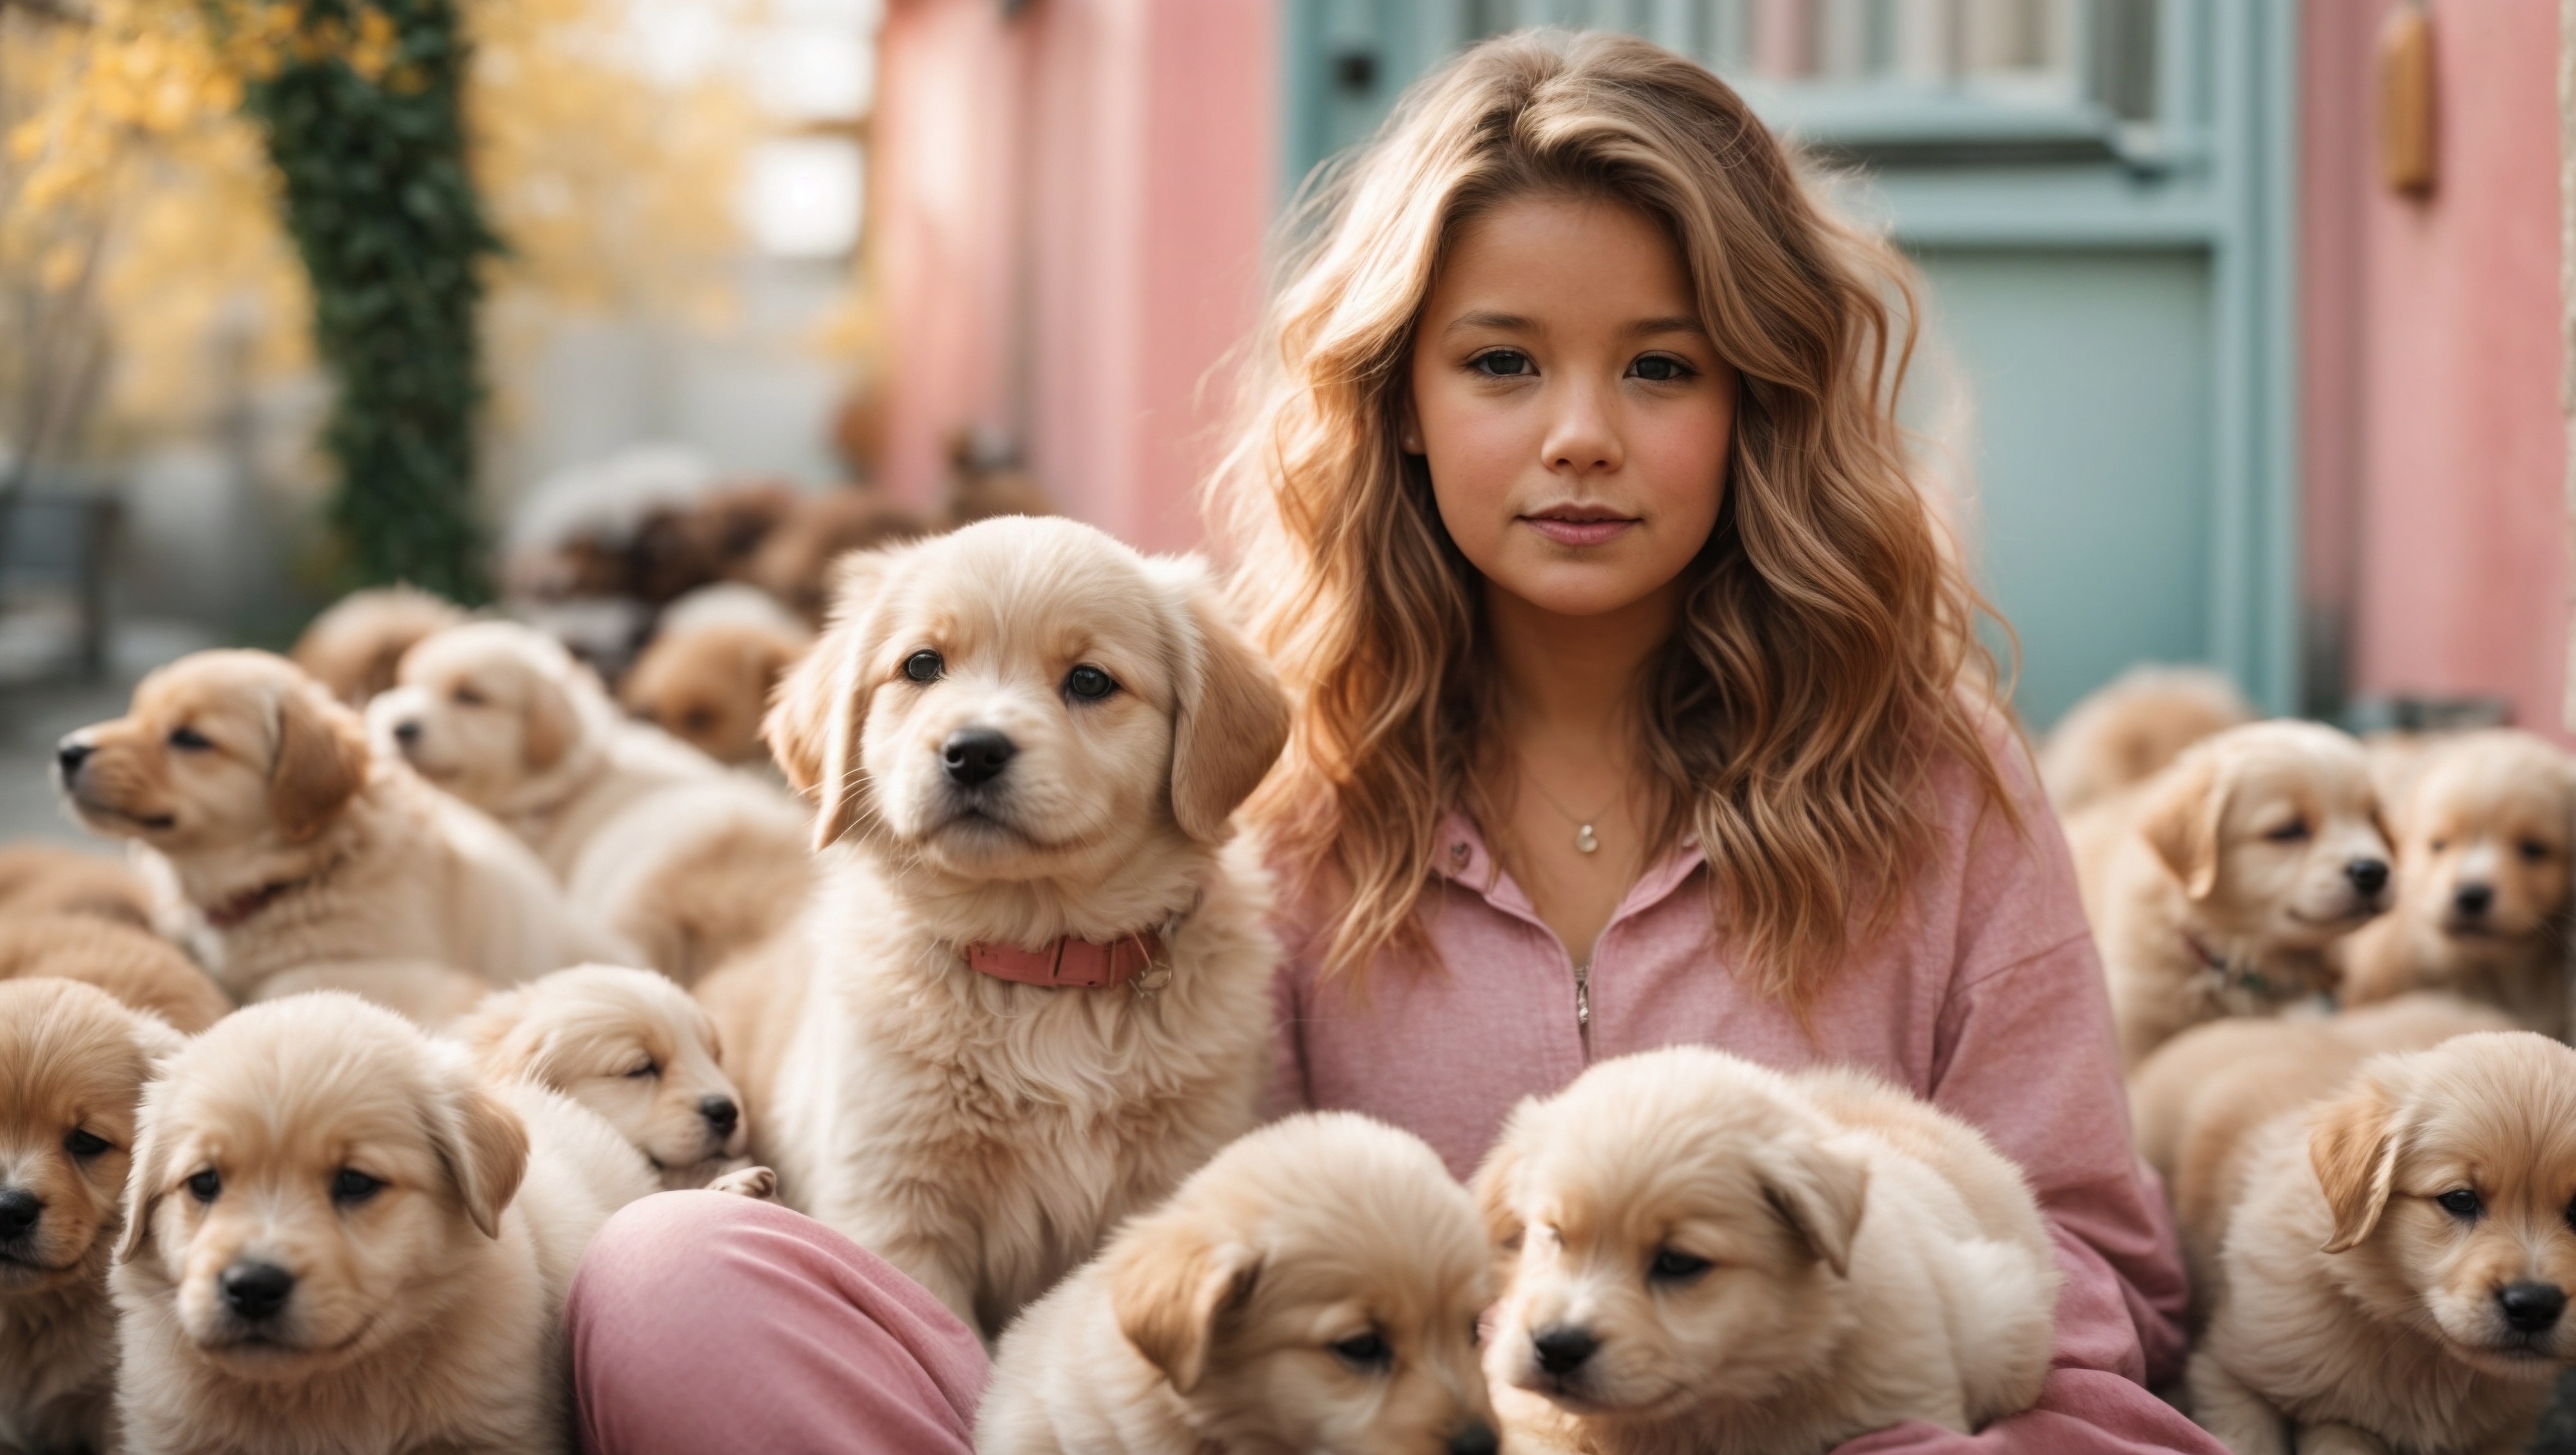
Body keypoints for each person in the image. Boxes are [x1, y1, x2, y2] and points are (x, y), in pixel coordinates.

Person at [566, 30, 2219, 1454]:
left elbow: (2082, 1272)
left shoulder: (1925, 773)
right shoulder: (1247, 788)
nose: (1581, 434)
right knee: (680, 1280)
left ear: (1760, 403)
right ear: (1399, 401)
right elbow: (1177, 1280)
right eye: (1503, 363)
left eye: (1662, 367)